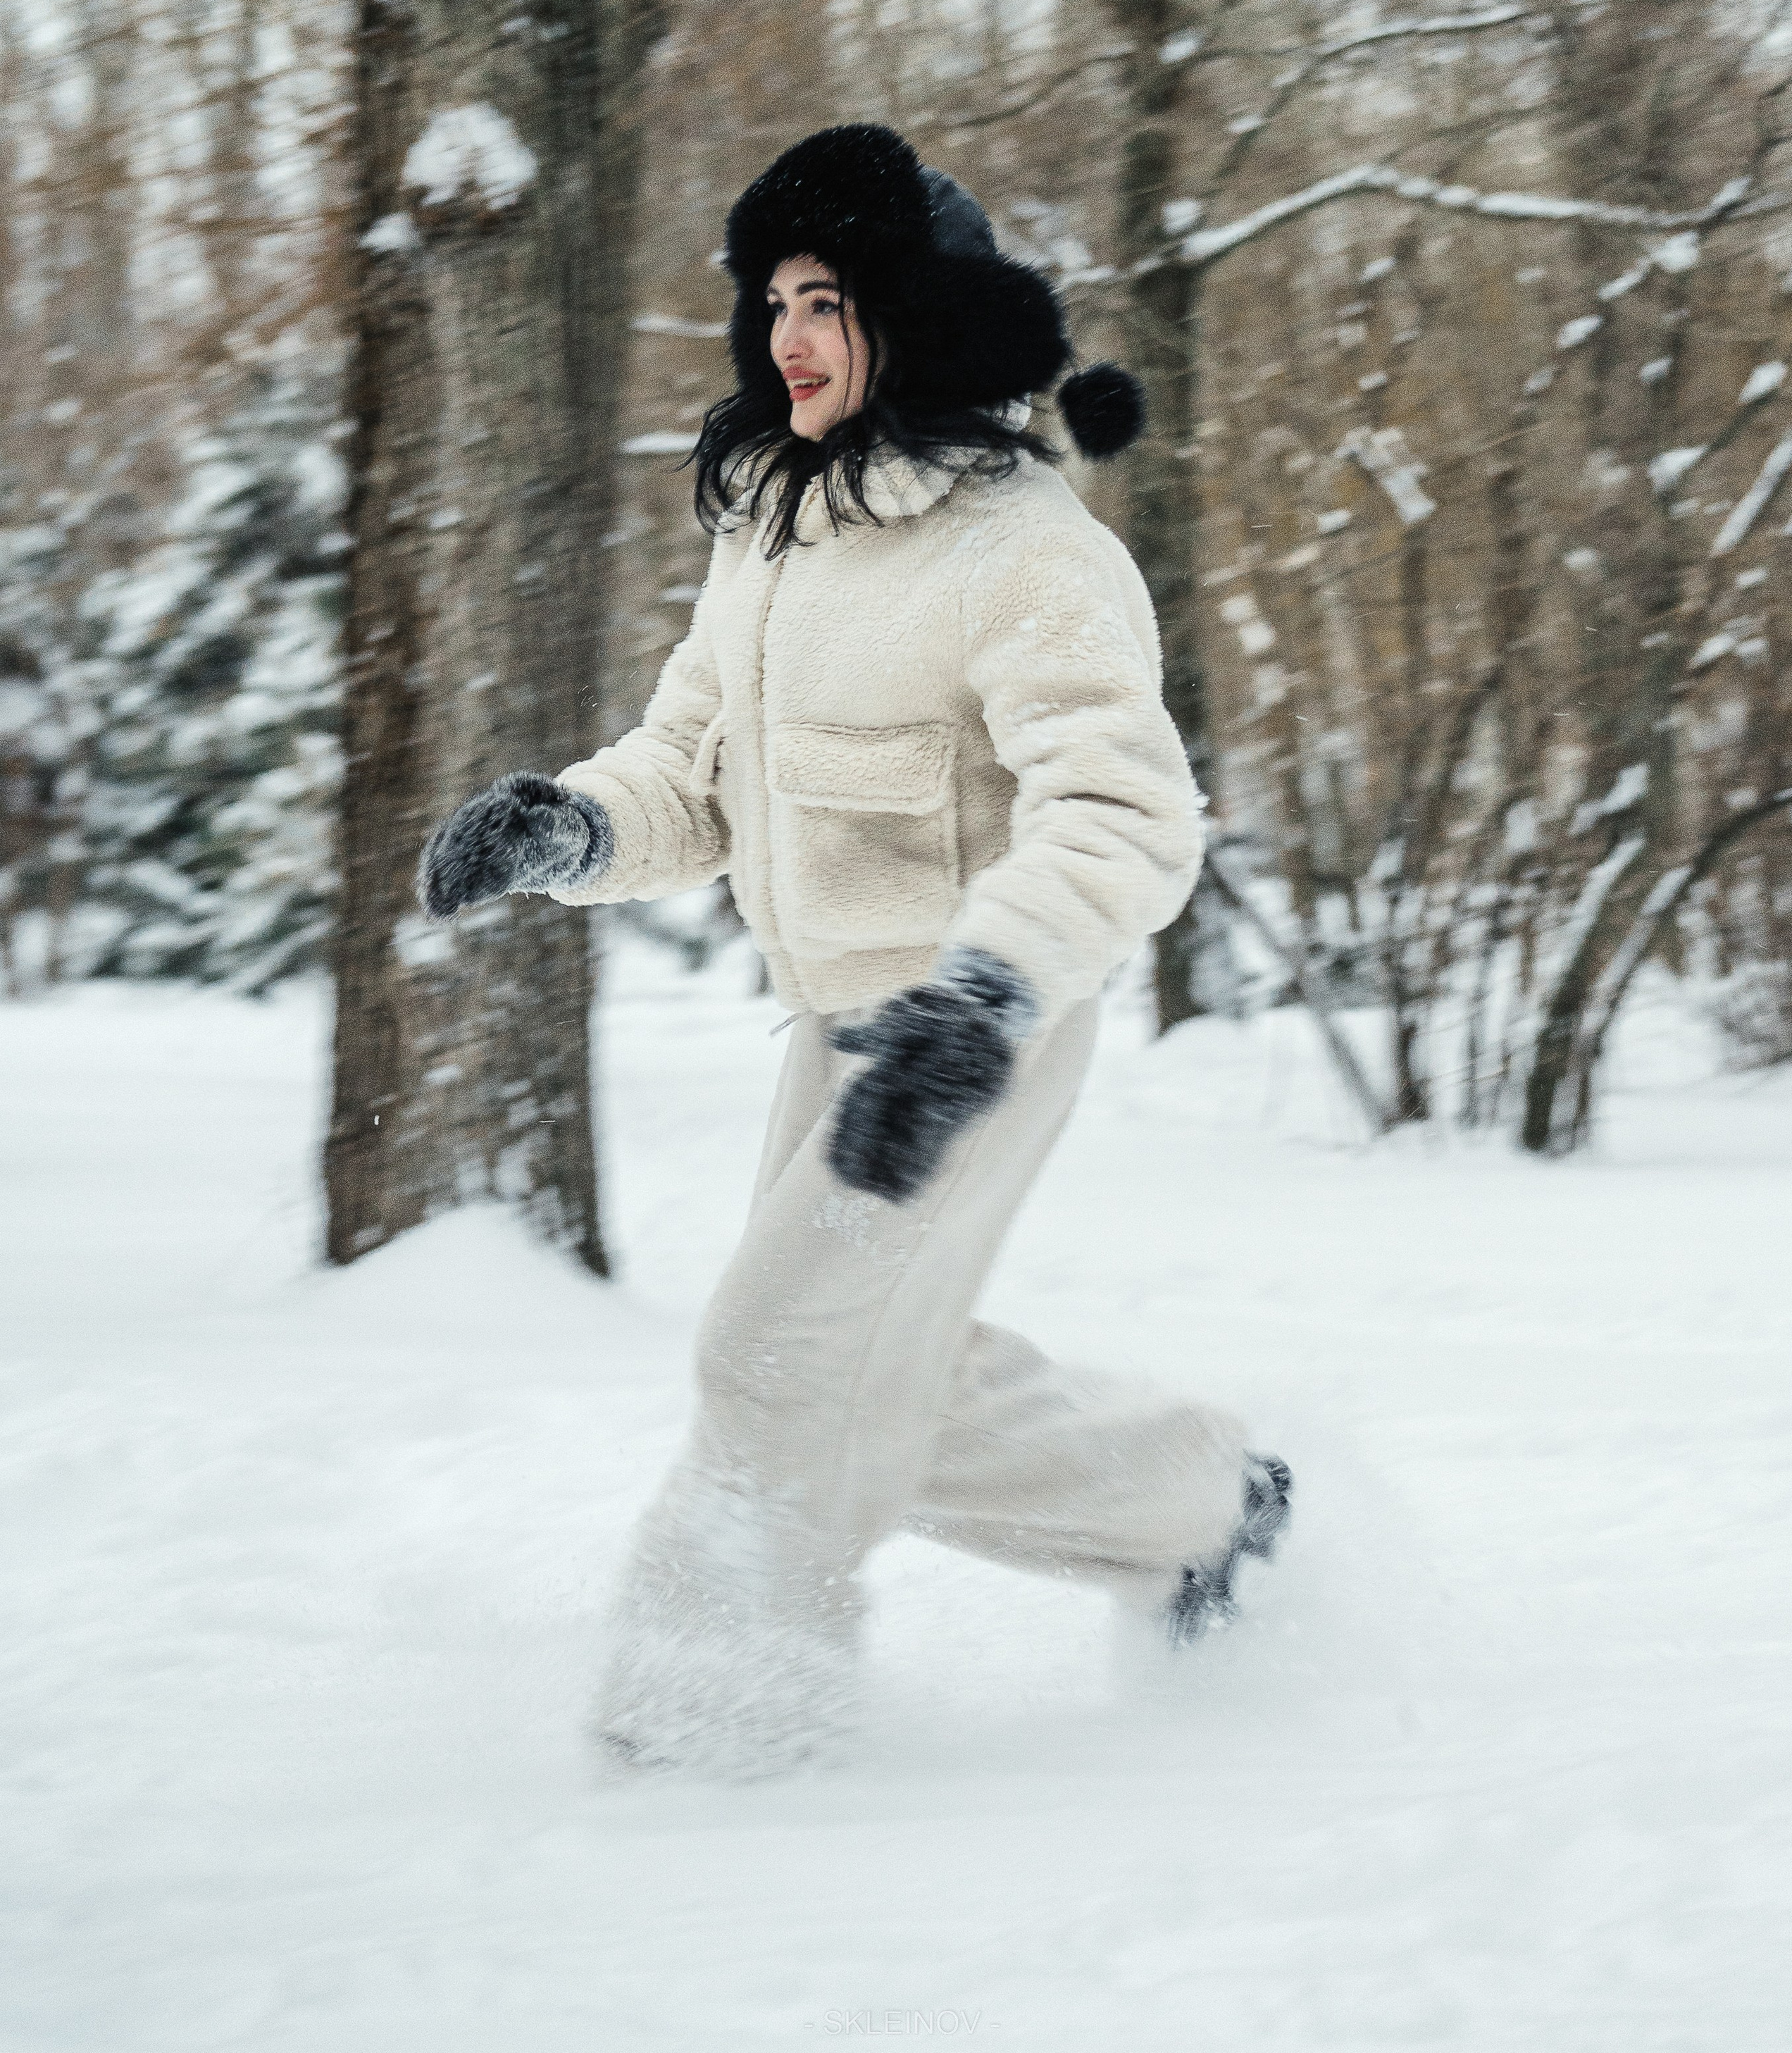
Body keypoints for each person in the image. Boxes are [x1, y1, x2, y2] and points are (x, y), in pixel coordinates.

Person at [418, 122, 1290, 1778]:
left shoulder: (1026, 553)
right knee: (873, 1375)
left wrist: (983, 998)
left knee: (773, 1356)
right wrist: (571, 827)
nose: (787, 339)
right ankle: (1206, 1507)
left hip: (976, 1031)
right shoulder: (773, 533)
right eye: (771, 301)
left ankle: (709, 1735)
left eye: (824, 301)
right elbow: (691, 769)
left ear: (914, 314)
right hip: (840, 1031)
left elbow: (1123, 817)